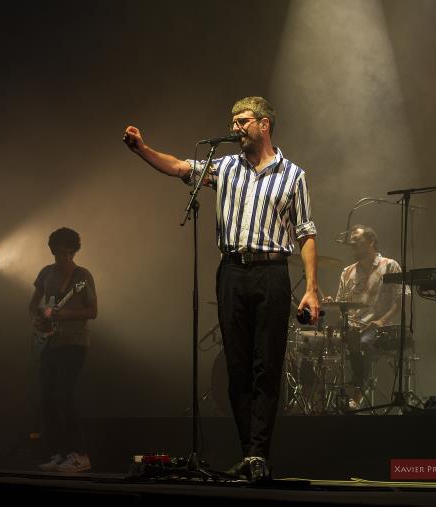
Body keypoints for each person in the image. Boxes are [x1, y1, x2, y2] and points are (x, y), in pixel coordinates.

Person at [123, 96, 320, 481]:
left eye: (243, 121)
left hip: (271, 273)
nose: (235, 127)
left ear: (264, 124)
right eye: (232, 120)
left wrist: (312, 289)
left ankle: (260, 454)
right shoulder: (226, 167)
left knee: (267, 366)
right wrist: (142, 150)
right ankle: (249, 454)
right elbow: (180, 166)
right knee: (236, 368)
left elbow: (306, 232)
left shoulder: (293, 174)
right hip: (232, 271)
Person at [29, 227, 97, 472]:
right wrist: (37, 319)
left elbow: (93, 311)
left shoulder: (82, 276)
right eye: (56, 253)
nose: (61, 258)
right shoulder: (46, 273)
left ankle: (80, 454)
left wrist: (64, 313)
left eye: (66, 253)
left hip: (74, 343)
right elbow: (33, 304)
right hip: (49, 343)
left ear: (73, 251)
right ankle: (57, 453)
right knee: (47, 399)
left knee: (64, 397)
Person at [323, 225, 408, 409]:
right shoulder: (347, 272)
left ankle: (357, 394)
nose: (352, 244)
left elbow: (402, 300)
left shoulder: (390, 266)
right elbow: (342, 306)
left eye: (357, 241)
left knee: (362, 342)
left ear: (371, 242)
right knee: (319, 341)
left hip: (380, 328)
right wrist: (332, 303)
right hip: (353, 326)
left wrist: (381, 320)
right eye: (351, 242)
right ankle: (318, 397)